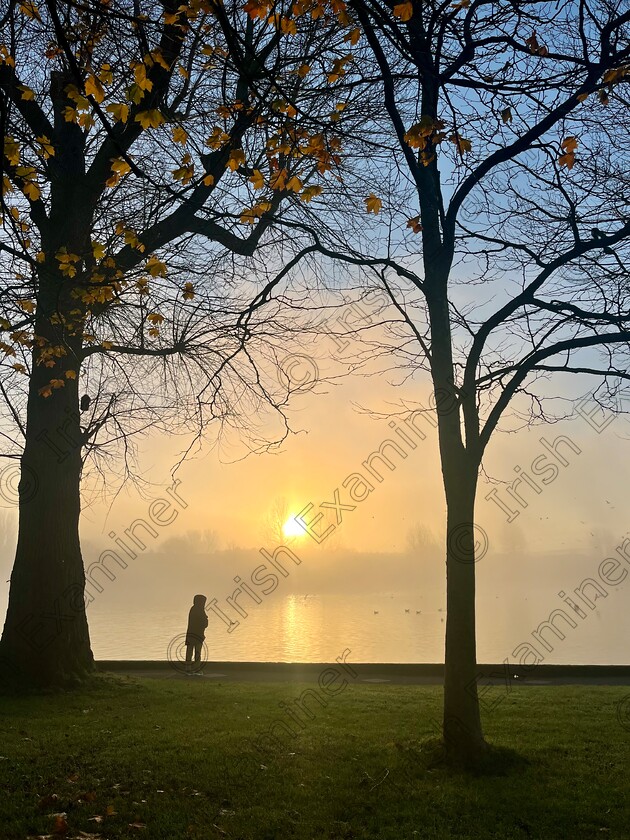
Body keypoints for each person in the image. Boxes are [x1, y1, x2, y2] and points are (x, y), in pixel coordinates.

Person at [185, 594, 208, 675]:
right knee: (197, 652)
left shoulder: (193, 609)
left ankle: (188, 669)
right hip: (198, 635)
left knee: (190, 651)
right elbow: (204, 623)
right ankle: (197, 669)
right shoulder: (200, 610)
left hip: (191, 634)